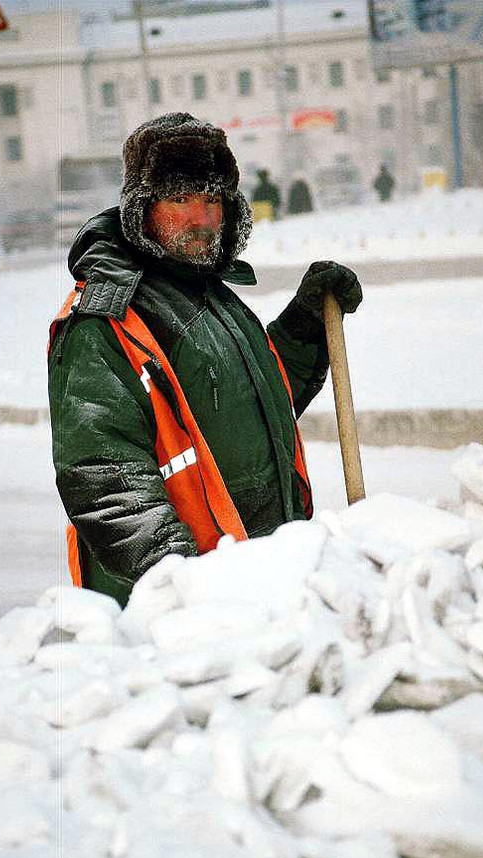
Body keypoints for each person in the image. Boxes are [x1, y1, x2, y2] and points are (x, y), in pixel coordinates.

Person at [48, 113, 362, 607]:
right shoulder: (107, 320)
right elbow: (104, 482)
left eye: (212, 199)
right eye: (180, 200)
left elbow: (247, 409)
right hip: (186, 613)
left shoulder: (210, 295)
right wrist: (185, 587)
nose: (201, 218)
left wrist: (304, 327)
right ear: (141, 208)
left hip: (255, 580)